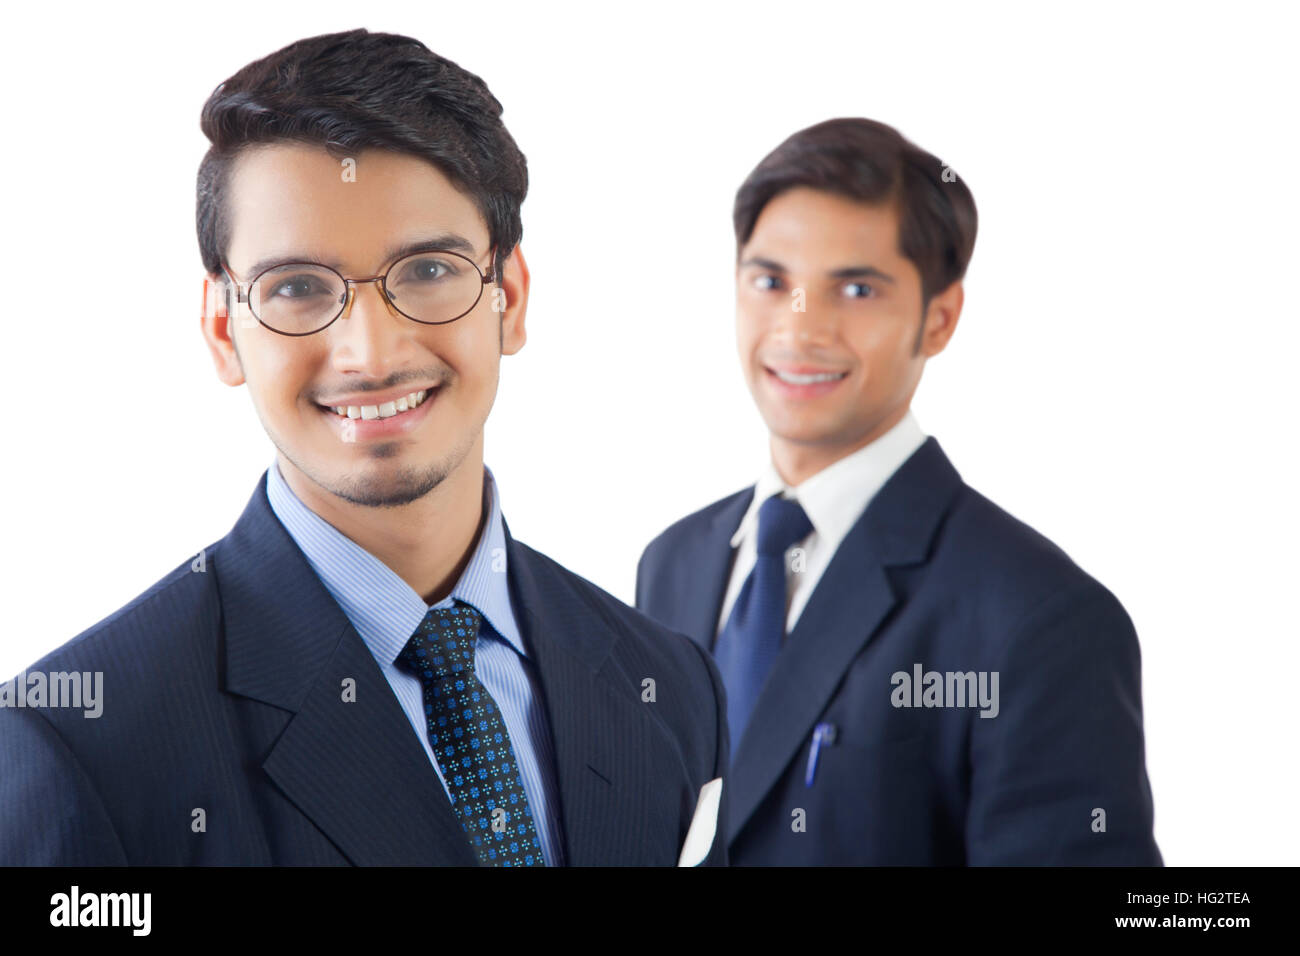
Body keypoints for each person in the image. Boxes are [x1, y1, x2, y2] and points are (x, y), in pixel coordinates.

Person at [0, 29, 727, 867]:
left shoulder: (669, 685)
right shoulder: (82, 748)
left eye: (427, 270)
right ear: (222, 330)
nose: (372, 354)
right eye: (298, 288)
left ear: (511, 298)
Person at [636, 118, 1160, 865]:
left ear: (939, 319)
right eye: (770, 280)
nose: (800, 328)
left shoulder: (1040, 619)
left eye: (855, 288)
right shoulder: (674, 564)